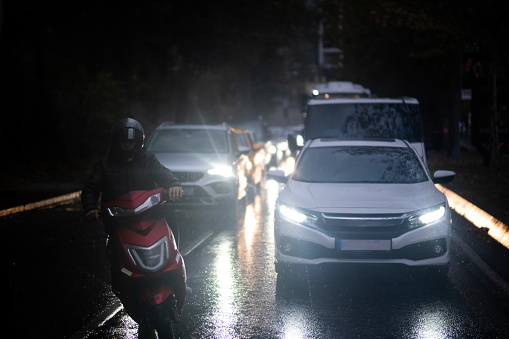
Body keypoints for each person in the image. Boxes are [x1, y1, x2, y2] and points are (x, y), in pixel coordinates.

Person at [81, 117, 182, 220]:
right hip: (116, 217)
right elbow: (91, 188)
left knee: (170, 217)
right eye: (123, 141)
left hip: (146, 213)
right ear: (117, 141)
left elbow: (162, 172)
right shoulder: (105, 163)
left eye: (131, 141)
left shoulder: (148, 159)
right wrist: (90, 207)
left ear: (137, 141)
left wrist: (173, 184)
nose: (127, 144)